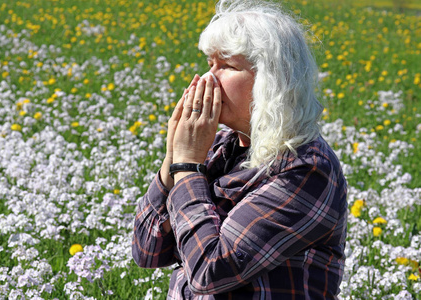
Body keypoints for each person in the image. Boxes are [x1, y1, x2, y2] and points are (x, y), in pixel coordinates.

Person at [132, 0, 347, 298]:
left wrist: (187, 167)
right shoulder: (219, 149)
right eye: (210, 64)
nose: (208, 80)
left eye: (228, 66)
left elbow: (210, 270)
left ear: (272, 80)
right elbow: (147, 251)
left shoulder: (306, 169)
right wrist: (172, 158)